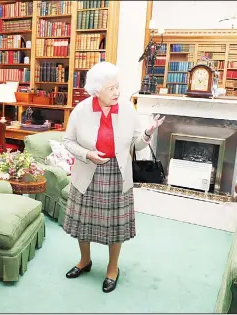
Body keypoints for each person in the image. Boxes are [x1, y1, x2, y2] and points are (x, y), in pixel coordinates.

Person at [62, 61, 165, 293]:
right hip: (88, 170)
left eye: (118, 87)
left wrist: (148, 133)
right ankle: (84, 261)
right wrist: (87, 154)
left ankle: (112, 268)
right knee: (83, 222)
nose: (117, 92)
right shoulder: (81, 110)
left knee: (115, 226)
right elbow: (68, 141)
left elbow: (137, 145)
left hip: (117, 173)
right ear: (97, 90)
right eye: (111, 88)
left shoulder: (127, 109)